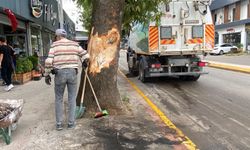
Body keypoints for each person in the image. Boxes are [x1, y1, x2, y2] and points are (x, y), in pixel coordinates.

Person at [44, 29, 89, 131]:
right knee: (72, 98)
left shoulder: (54, 45)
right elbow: (86, 55)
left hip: (59, 73)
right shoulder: (74, 44)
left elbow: (48, 61)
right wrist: (85, 61)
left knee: (59, 98)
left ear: (57, 36)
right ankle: (71, 123)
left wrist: (47, 75)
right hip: (73, 72)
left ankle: (59, 124)